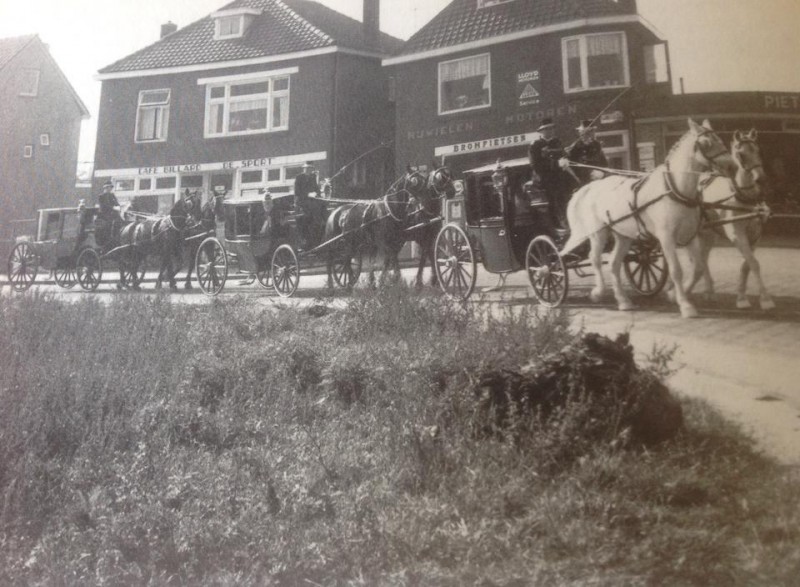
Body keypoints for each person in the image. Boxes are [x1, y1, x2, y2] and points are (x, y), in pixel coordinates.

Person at [528, 118, 570, 229]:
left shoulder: (557, 142)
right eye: (547, 129)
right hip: (543, 179)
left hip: (559, 176)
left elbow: (563, 155)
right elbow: (535, 165)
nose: (550, 131)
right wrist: (556, 164)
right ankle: (560, 223)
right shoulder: (535, 145)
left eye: (551, 129)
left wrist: (565, 158)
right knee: (555, 194)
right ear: (541, 132)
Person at [562, 119, 608, 184]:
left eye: (592, 131)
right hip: (582, 180)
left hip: (598, 179)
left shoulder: (597, 145)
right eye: (587, 132)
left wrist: (602, 173)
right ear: (581, 133)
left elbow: (604, 163)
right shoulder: (576, 146)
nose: (590, 134)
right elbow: (571, 165)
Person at [294, 161, 320, 248]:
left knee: (322, 207)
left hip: (312, 202)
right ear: (304, 168)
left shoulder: (313, 177)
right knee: (306, 216)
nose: (309, 170)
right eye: (307, 168)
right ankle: (304, 239)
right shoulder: (299, 177)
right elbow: (297, 192)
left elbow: (317, 189)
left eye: (311, 169)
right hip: (301, 203)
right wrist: (308, 194)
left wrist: (317, 193)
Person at [95, 179, 124, 249]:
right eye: (108, 188)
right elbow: (103, 207)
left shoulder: (112, 195)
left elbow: (116, 203)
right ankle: (110, 239)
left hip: (113, 215)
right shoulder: (101, 196)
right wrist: (113, 208)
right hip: (104, 216)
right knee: (109, 224)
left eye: (110, 188)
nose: (110, 189)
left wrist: (119, 206)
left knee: (121, 221)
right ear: (105, 188)